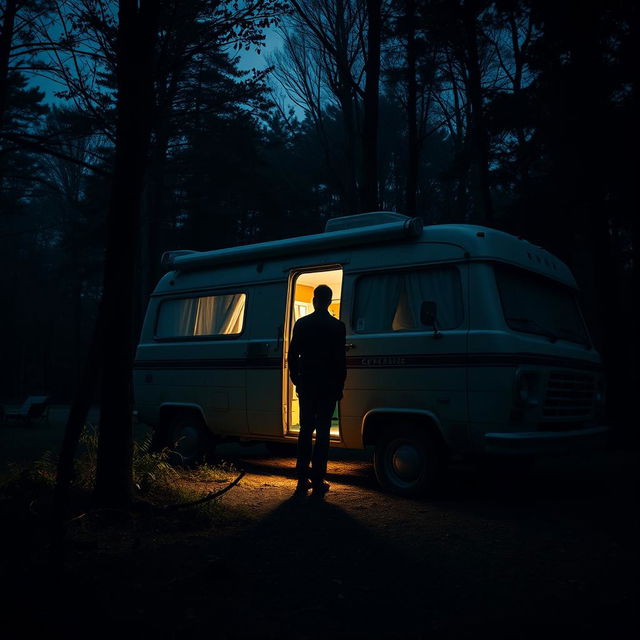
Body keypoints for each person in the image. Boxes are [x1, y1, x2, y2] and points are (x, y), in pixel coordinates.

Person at [288, 284, 347, 498]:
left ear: (314, 300)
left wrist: (297, 380)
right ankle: (318, 479)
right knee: (323, 433)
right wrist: (339, 386)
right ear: (330, 301)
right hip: (328, 385)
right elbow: (341, 361)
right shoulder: (338, 327)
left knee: (305, 430)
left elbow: (293, 355)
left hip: (308, 384)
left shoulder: (302, 324)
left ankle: (302, 480)